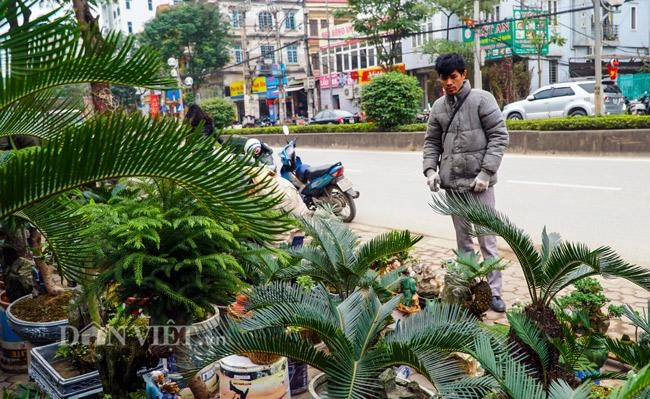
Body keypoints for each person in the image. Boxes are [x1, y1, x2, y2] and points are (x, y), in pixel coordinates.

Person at [422, 53, 509, 313]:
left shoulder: (482, 100)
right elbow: (431, 142)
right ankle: (469, 289)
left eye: (453, 77)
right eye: (444, 78)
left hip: (479, 184)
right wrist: (429, 170)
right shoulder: (438, 107)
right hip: (453, 185)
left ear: (463, 75)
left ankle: (494, 292)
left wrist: (486, 173)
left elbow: (499, 136)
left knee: (487, 239)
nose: (449, 82)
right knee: (464, 241)